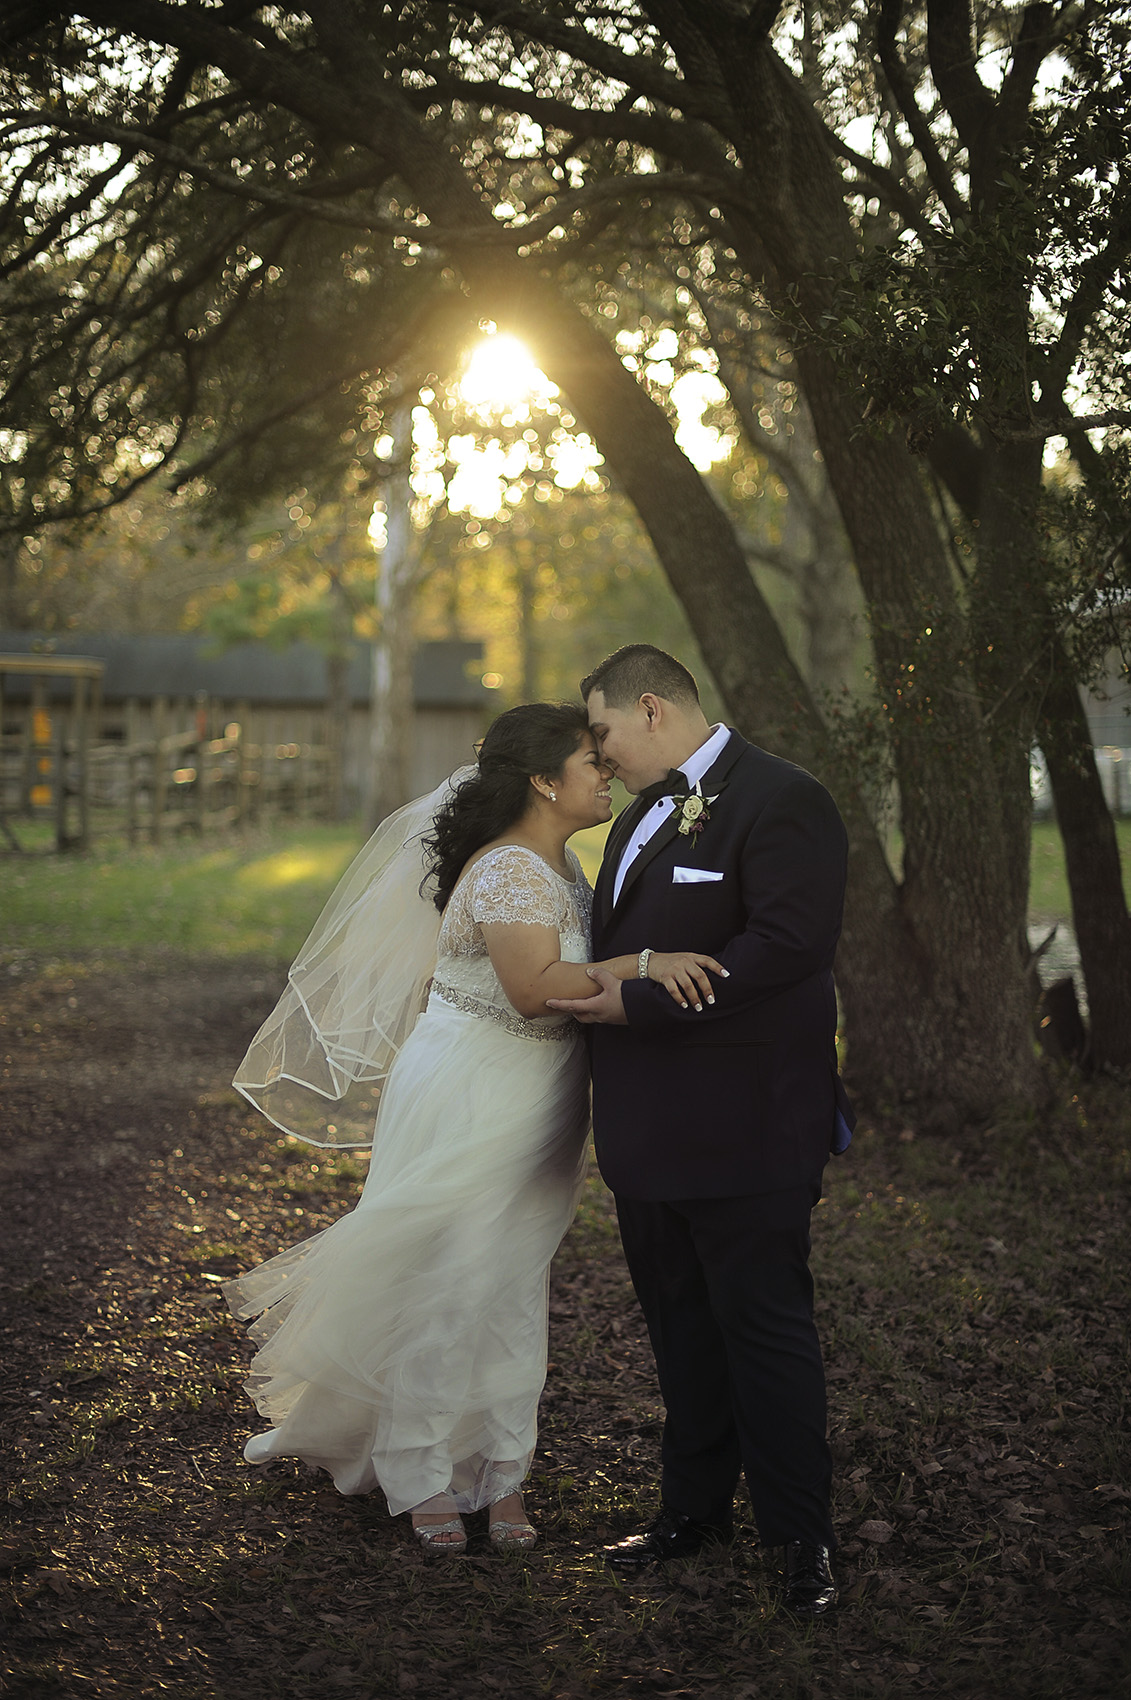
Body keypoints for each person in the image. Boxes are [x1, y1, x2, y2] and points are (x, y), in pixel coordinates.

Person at [225, 701, 723, 1555]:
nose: (604, 772)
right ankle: (420, 1473)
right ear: (541, 779)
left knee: (509, 1286)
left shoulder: (562, 868)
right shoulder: (507, 872)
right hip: (475, 1084)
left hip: (543, 1091)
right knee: (450, 1280)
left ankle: (501, 1474)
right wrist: (644, 965)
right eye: (588, 760)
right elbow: (535, 989)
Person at [547, 646, 853, 1617]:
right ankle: (693, 1509)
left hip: (749, 1128)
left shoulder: (781, 797)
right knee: (679, 1328)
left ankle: (803, 1537)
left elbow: (786, 945)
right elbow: (625, 941)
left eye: (600, 733)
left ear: (649, 708)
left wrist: (640, 1005)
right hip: (648, 1134)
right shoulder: (638, 815)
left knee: (764, 1330)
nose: (596, 755)